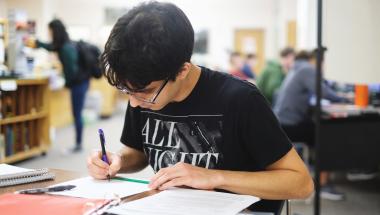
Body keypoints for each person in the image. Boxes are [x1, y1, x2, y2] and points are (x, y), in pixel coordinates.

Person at [87, 1, 313, 210]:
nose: (134, 103)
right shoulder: (142, 89)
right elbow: (138, 152)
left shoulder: (240, 100)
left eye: (144, 93)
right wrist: (118, 160)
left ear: (182, 70)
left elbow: (301, 183)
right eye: (127, 91)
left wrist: (215, 177)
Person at [273, 50, 348, 201]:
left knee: (320, 130)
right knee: (328, 136)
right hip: (290, 125)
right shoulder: (307, 69)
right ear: (316, 60)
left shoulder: (296, 68)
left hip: (281, 123)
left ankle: (317, 173)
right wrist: (344, 98)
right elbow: (323, 92)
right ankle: (323, 185)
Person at [26, 19, 89, 153]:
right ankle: (78, 142)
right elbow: (51, 47)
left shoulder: (65, 47)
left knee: (77, 113)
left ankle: (78, 143)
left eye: (50, 31)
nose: (49, 33)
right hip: (80, 82)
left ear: (55, 31)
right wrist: (38, 43)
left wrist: (67, 83)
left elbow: (72, 69)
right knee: (77, 113)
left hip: (79, 83)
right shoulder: (62, 44)